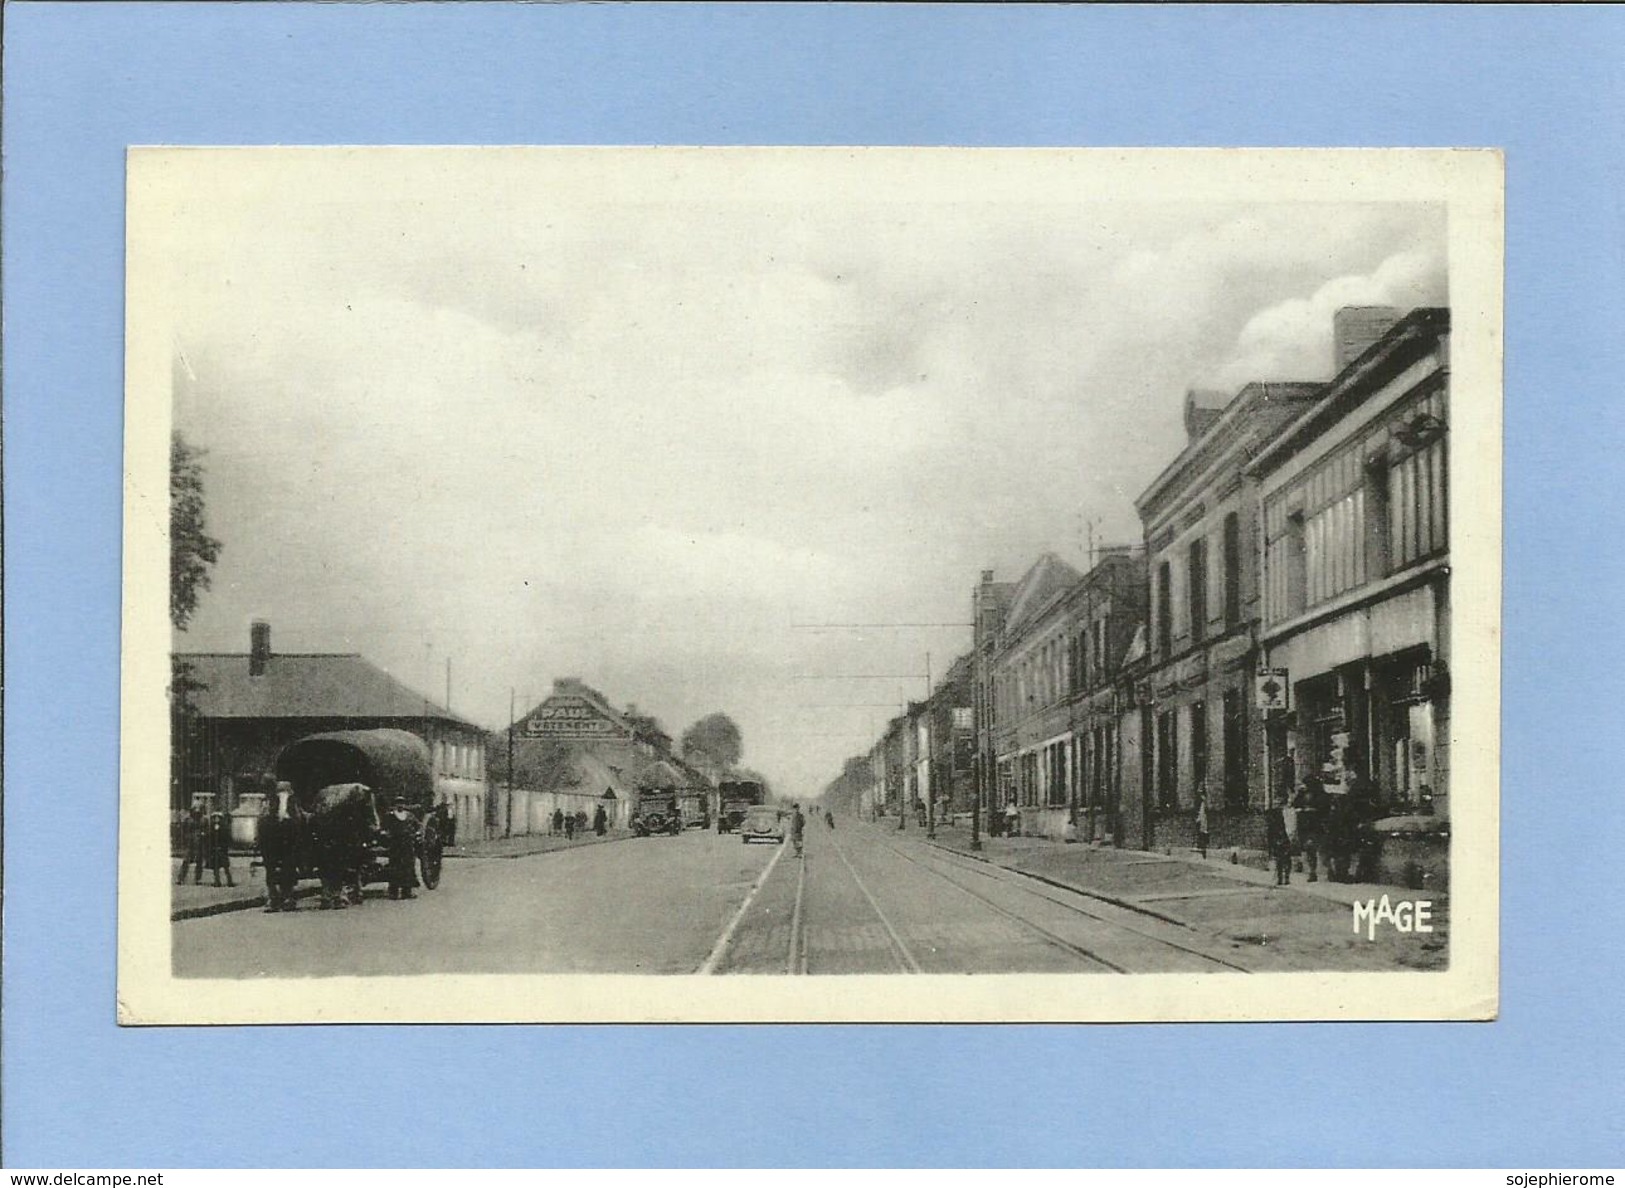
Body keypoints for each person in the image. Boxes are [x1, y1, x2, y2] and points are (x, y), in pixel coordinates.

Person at [1292, 771, 1329, 882]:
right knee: (1309, 849)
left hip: (1315, 824)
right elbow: (1295, 804)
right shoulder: (1302, 794)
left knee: (1317, 847)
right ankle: (1312, 871)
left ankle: (1326, 870)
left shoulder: (1320, 795)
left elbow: (1324, 808)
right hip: (1305, 825)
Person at [384, 796, 419, 900]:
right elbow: (384, 827)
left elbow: (417, 826)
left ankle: (406, 892)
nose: (400, 805)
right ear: (395, 805)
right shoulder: (390, 816)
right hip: (396, 845)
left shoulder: (409, 815)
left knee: (407, 867)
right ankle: (393, 892)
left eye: (402, 803)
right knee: (395, 867)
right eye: (398, 803)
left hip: (407, 845)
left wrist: (415, 833)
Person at [176, 805, 207, 884]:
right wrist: (185, 840)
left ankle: (198, 879)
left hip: (200, 844)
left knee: (199, 862)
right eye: (195, 811)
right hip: (190, 844)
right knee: (186, 861)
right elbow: (183, 832)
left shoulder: (204, 820)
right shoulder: (188, 820)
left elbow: (207, 831)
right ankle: (181, 878)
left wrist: (204, 835)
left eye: (198, 811)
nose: (197, 813)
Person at [205, 810, 236, 887]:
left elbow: (227, 839)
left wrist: (224, 847)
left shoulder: (224, 828)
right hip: (214, 850)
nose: (216, 819)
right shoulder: (211, 828)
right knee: (216, 867)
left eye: (218, 817)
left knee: (226, 867)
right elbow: (209, 839)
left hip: (222, 850)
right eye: (214, 817)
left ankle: (229, 881)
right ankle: (217, 881)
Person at [1267, 798, 1293, 885]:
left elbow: (1291, 825)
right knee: (1280, 858)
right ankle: (1280, 877)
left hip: (1287, 836)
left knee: (1286, 857)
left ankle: (1286, 877)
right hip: (1279, 836)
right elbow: (1272, 827)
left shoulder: (1290, 813)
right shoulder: (1275, 814)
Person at [1194, 794, 1211, 860]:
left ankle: (1203, 850)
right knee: (1202, 834)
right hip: (1202, 823)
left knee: (1203, 834)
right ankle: (1202, 849)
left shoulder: (1204, 807)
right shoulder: (1202, 807)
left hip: (1203, 823)